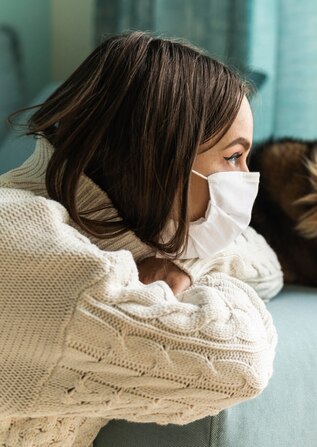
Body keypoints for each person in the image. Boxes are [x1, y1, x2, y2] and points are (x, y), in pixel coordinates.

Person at [0, 31, 282, 447]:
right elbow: (239, 364)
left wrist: (182, 264)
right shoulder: (21, 234)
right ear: (159, 154)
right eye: (233, 157)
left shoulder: (130, 235)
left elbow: (265, 265)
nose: (244, 180)